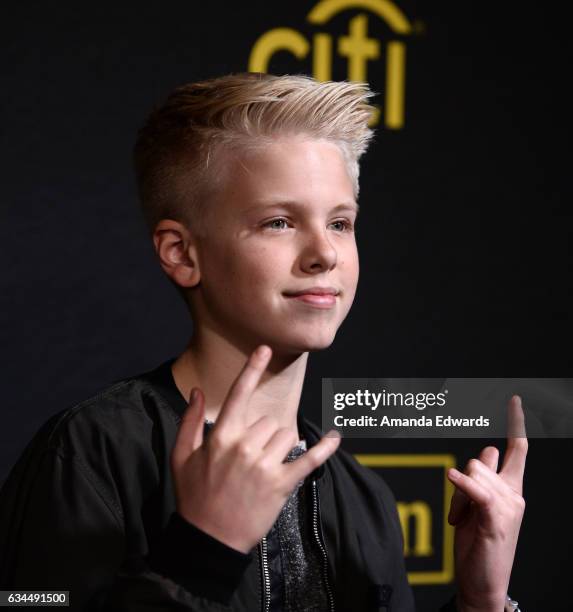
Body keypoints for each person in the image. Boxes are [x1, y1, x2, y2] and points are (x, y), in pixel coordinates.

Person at [0, 73, 527, 612]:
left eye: (341, 223)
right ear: (182, 254)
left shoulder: (366, 499)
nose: (325, 253)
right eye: (279, 222)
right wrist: (203, 550)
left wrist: (480, 603)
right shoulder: (90, 454)